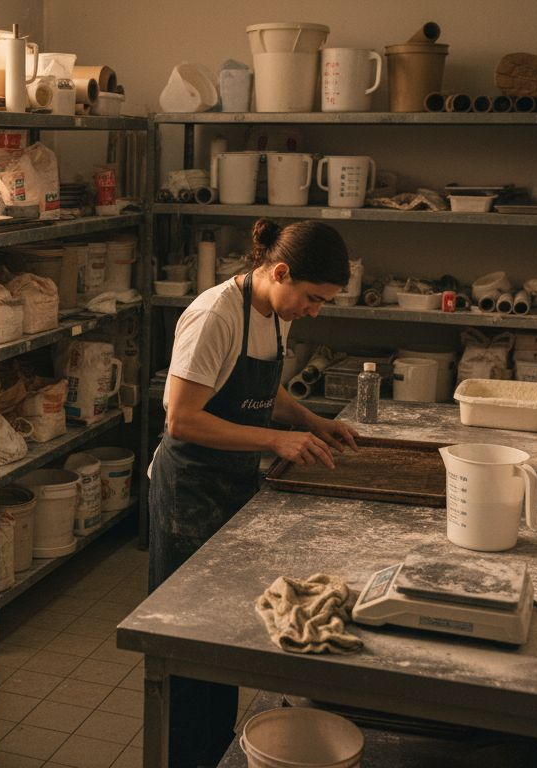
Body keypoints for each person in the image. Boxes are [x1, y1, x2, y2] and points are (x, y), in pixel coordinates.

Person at [149, 219, 360, 768]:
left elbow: (269, 389)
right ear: (281, 271)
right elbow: (181, 419)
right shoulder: (216, 315)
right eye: (313, 298)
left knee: (223, 638)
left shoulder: (273, 312)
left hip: (233, 484)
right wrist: (274, 439)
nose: (314, 311)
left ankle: (212, 751)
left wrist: (313, 421)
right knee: (189, 645)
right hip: (190, 492)